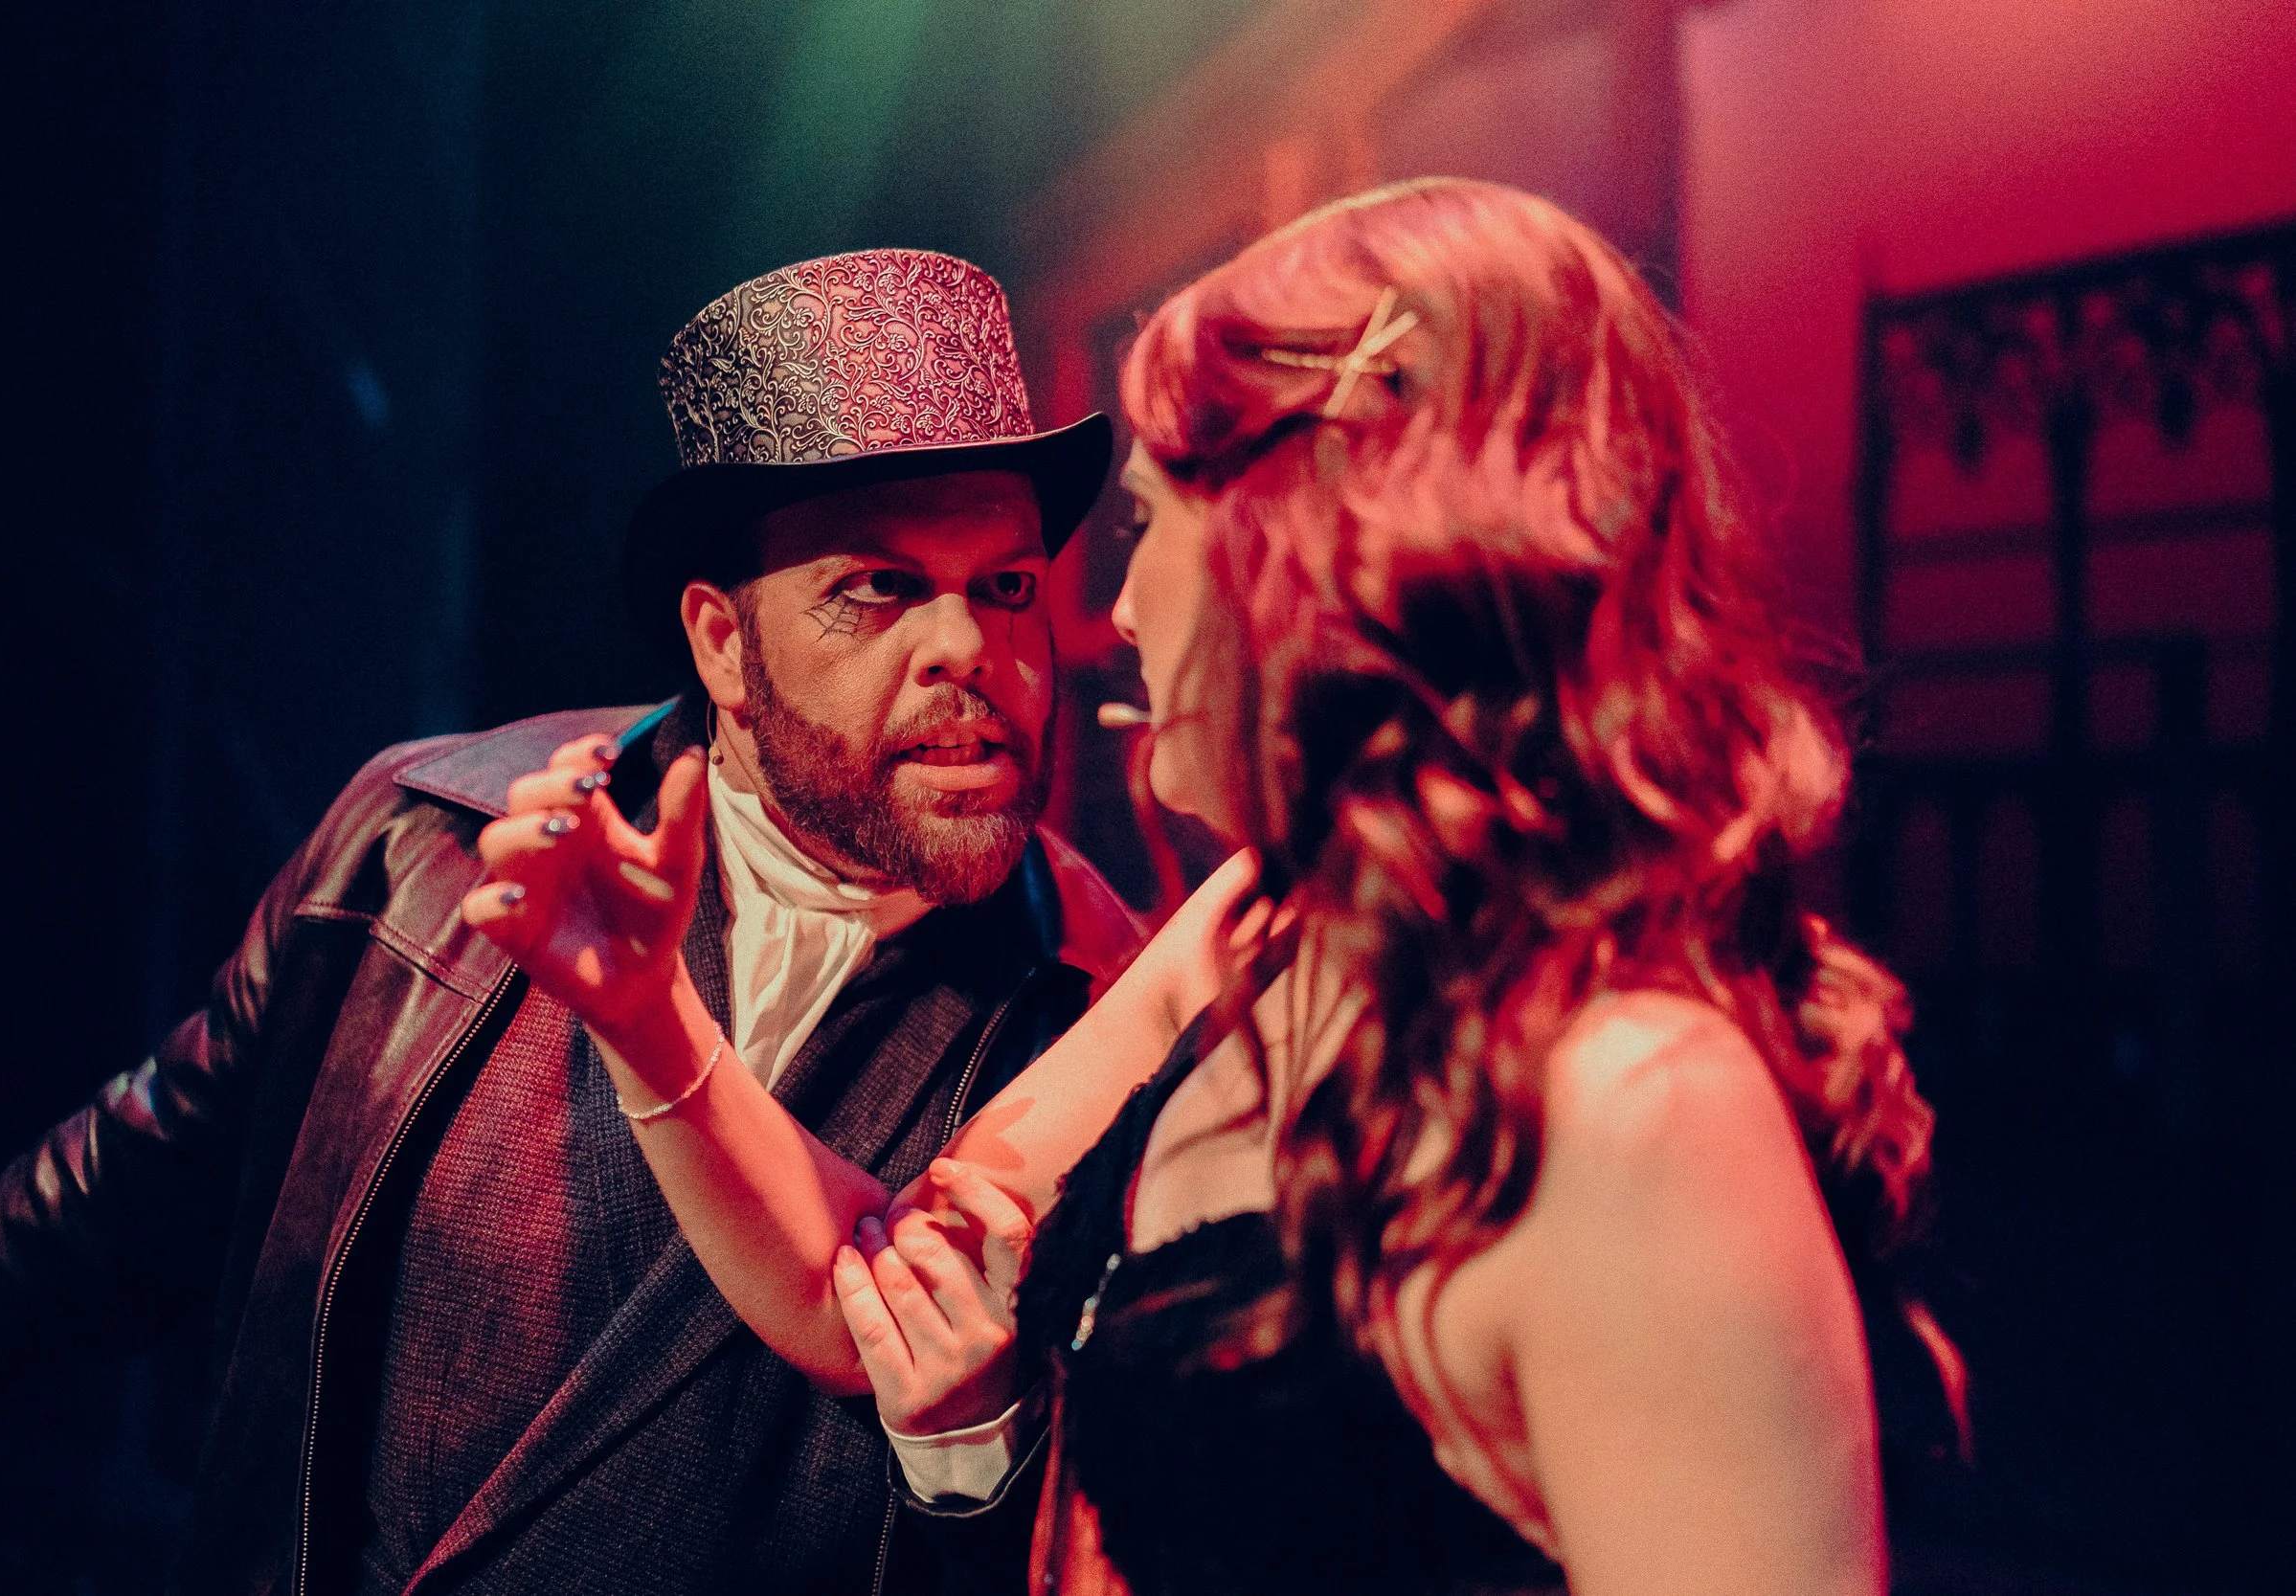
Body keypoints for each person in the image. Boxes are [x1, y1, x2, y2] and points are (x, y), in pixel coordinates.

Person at [469, 180, 1946, 1596]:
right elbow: (877, 1278)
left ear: (1325, 542)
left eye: (1154, 518)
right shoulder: (1250, 928)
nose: (1112, 607)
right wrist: (647, 1014)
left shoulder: (1642, 1106)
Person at [0, 247, 1147, 1595]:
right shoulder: (426, 841)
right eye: (880, 587)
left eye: (1007, 586)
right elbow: (126, 1192)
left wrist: (976, 1451)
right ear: (724, 645)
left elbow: (1098, 1531)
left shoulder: (1095, 1014)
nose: (968, 646)